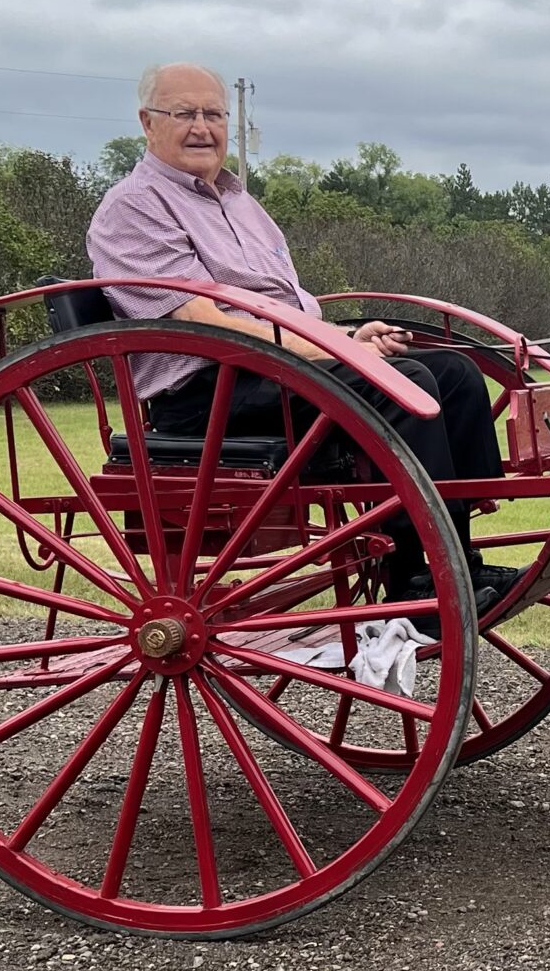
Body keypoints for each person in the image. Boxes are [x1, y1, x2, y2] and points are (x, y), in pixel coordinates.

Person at [87, 62, 518, 611]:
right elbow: (202, 319)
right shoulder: (133, 207)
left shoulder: (240, 202)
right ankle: (422, 580)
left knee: (453, 374)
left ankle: (457, 550)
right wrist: (335, 350)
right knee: (402, 383)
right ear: (148, 124)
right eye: (184, 114)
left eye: (214, 114)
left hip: (274, 371)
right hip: (209, 395)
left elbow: (284, 307)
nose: (203, 127)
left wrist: (348, 334)